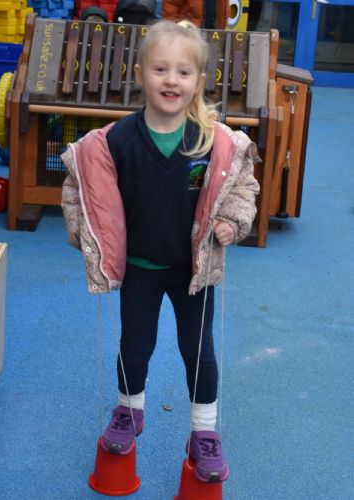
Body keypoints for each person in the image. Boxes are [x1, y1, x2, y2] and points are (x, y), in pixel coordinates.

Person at [60, 20, 259, 483]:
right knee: (135, 344)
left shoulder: (214, 142)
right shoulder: (115, 141)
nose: (172, 81)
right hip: (140, 268)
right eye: (161, 69)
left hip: (193, 270)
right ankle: (129, 410)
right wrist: (85, 234)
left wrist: (232, 223)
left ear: (199, 82)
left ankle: (204, 432)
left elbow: (240, 187)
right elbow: (82, 191)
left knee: (198, 351)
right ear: (140, 74)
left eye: (183, 72)